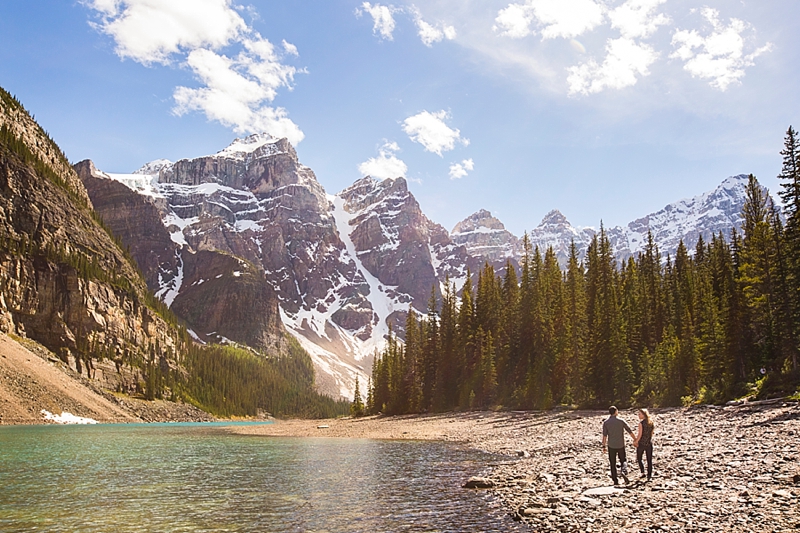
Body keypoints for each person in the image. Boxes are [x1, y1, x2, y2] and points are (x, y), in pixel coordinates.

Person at [602, 405, 634, 485]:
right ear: (616, 411)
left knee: (612, 462)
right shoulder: (621, 421)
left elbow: (604, 435)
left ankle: (615, 480)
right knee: (623, 460)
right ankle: (623, 471)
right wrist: (635, 439)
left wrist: (604, 446)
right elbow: (629, 430)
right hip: (620, 444)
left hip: (611, 445)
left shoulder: (606, 423)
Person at [633, 408, 655, 481]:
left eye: (640, 414)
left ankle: (642, 472)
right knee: (649, 460)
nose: (638, 415)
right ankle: (649, 474)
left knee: (639, 458)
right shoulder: (651, 422)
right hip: (649, 443)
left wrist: (636, 441)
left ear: (644, 415)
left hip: (641, 443)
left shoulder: (641, 423)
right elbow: (651, 433)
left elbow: (640, 434)